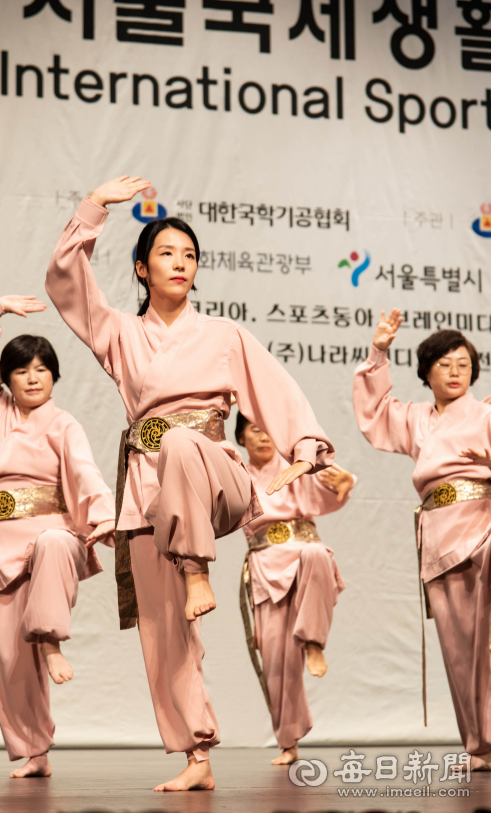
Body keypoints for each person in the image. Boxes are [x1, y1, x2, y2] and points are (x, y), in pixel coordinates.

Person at [45, 175, 334, 791]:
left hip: (215, 480)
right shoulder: (120, 333)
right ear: (143, 269)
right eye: (167, 254)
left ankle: (197, 569)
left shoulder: (223, 334)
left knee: (179, 440)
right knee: (164, 635)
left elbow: (275, 390)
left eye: (190, 255)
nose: (181, 263)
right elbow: (67, 284)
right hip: (149, 495)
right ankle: (196, 754)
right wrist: (94, 207)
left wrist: (306, 448)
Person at [0, 295, 115, 778]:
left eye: (43, 369)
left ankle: (49, 639)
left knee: (52, 543)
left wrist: (103, 514)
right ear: (6, 377)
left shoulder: (63, 423)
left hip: (52, 537)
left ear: (54, 377)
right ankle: (35, 752)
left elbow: (85, 472)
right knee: (7, 661)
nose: (33, 377)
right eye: (23, 369)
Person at [353, 310, 491, 770]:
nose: (456, 372)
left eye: (464, 365)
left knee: (487, 638)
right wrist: (379, 350)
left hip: (484, 523)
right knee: (458, 645)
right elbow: (374, 413)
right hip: (439, 534)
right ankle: (480, 745)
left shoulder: (487, 414)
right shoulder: (416, 420)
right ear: (427, 372)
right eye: (446, 364)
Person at [235, 412, 354, 766]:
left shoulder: (293, 465)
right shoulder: (236, 471)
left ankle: (315, 641)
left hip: (303, 553)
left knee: (317, 552)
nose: (263, 437)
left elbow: (327, 484)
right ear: (240, 439)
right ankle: (288, 743)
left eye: (267, 429)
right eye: (254, 430)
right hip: (264, 564)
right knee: (277, 659)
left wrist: (343, 485)